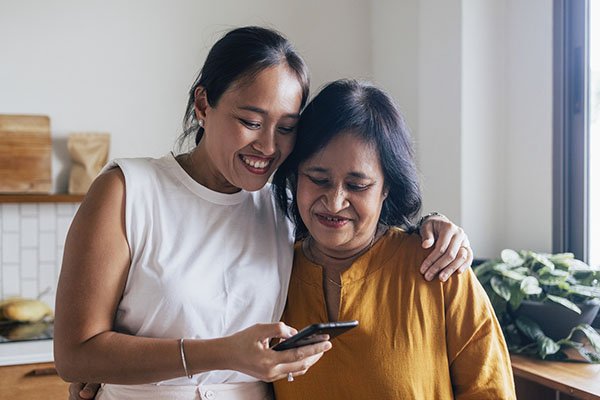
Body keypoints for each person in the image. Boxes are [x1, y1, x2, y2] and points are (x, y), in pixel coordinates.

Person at [55, 27, 472, 400]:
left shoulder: (283, 207)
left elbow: (352, 221)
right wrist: (220, 353)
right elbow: (75, 356)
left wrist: (433, 226)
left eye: (287, 128)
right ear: (203, 103)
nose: (269, 146)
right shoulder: (128, 191)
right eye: (251, 121)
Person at [271, 80, 516, 399]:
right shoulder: (271, 272)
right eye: (318, 180)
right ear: (295, 176)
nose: (334, 202)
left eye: (357, 186)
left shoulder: (438, 268)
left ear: (387, 188)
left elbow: (490, 390)